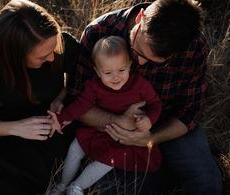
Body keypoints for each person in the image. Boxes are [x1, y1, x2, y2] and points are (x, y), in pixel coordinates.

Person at [67, 0, 222, 194]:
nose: (138, 62)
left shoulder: (193, 44)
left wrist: (150, 139)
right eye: (137, 50)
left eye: (154, 62)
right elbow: (76, 100)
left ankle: (163, 165)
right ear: (140, 18)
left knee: (207, 183)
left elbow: (191, 110)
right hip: (113, 130)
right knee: (113, 190)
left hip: (168, 124)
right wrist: (120, 122)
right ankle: (162, 171)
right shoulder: (100, 31)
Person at [0, 0, 80, 194]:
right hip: (8, 126)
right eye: (42, 57)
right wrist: (17, 128)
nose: (52, 58)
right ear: (15, 57)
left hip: (51, 125)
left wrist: (60, 98)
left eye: (53, 49)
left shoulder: (62, 44)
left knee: (30, 169)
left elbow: (78, 81)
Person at [47, 36, 162, 195]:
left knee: (108, 160)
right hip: (99, 129)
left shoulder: (140, 85)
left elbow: (155, 104)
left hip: (122, 137)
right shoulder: (94, 86)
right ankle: (62, 185)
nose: (116, 77)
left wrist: (149, 120)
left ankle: (77, 187)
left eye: (121, 70)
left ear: (129, 65)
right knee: (75, 148)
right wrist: (61, 119)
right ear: (97, 71)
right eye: (108, 72)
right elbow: (81, 104)